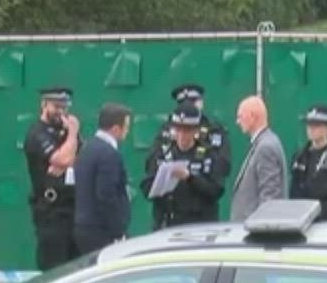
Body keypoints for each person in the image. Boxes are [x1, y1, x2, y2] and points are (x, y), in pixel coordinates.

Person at [141, 102, 228, 230]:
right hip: (168, 224)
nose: (181, 135)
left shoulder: (208, 155)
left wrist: (190, 178)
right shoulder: (161, 153)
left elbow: (216, 190)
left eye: (187, 130)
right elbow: (146, 187)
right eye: (178, 129)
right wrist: (160, 181)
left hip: (199, 226)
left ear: (196, 130)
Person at [23, 86, 81, 270]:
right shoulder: (37, 133)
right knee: (54, 265)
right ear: (44, 105)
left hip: (73, 207)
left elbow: (79, 159)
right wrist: (72, 134)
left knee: (74, 266)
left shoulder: (65, 134)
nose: (61, 112)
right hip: (51, 210)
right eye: (56, 107)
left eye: (64, 107)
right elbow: (63, 159)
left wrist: (68, 156)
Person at [73, 103, 133, 256]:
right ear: (116, 129)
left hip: (84, 227)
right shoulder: (109, 154)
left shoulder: (87, 148)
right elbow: (106, 195)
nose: (128, 130)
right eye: (126, 126)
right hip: (101, 231)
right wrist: (118, 231)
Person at [146, 83, 232, 173]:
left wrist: (201, 144)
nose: (188, 106)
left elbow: (224, 165)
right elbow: (150, 163)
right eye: (183, 103)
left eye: (192, 102)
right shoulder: (167, 129)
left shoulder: (214, 129)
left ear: (201, 103)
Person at [230, 95, 286, 221]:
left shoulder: (265, 147)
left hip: (255, 232)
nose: (237, 122)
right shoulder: (264, 143)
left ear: (253, 117)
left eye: (240, 116)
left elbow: (270, 197)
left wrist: (262, 228)